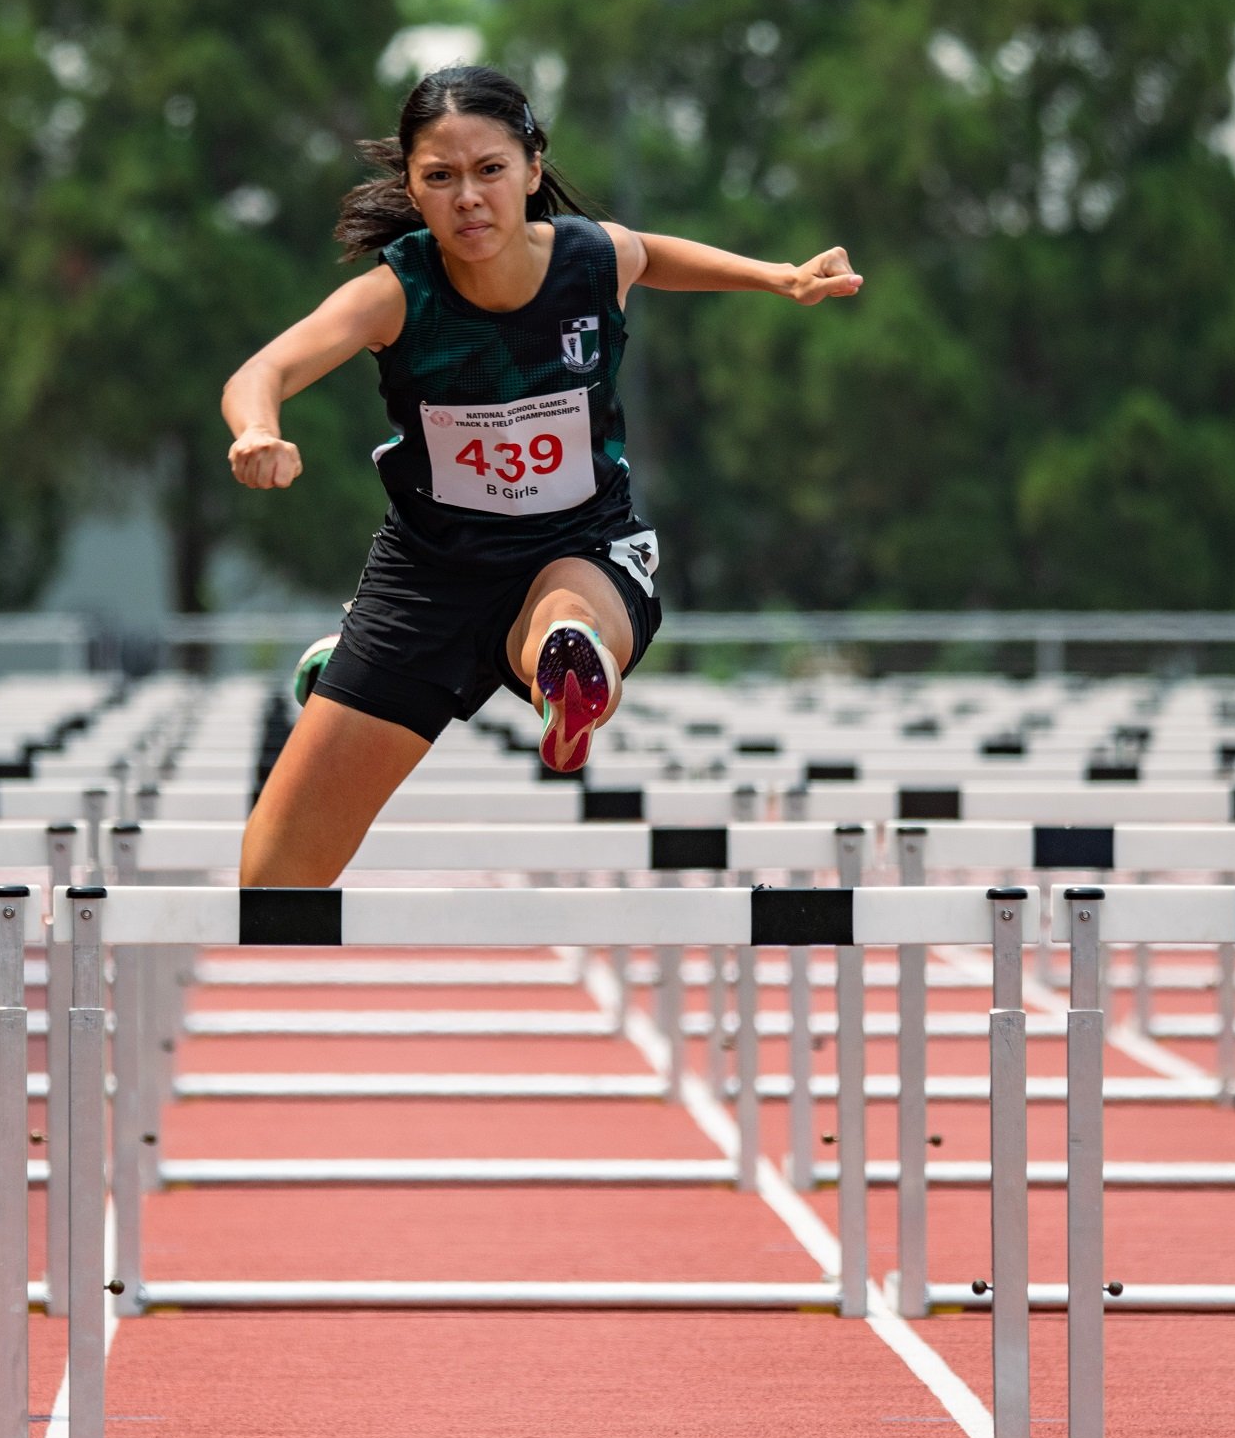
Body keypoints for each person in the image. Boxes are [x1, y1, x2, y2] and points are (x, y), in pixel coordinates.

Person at [223, 63, 859, 885]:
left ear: (531, 166)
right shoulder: (394, 296)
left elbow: (652, 255)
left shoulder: (593, 263)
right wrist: (258, 430)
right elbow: (262, 371)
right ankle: (366, 658)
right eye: (441, 178)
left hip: (580, 545)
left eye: (490, 170)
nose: (469, 198)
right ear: (413, 191)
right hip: (432, 578)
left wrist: (777, 276)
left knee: (563, 616)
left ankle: (567, 673)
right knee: (272, 880)